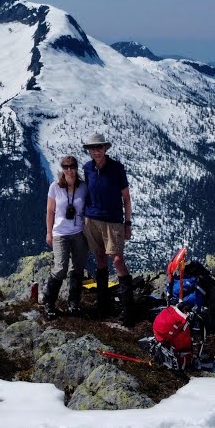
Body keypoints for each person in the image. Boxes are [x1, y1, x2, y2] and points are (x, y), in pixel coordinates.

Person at [80, 132, 134, 324]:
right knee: (101, 258)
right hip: (91, 219)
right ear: (89, 151)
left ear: (105, 149)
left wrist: (127, 223)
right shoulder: (87, 169)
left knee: (118, 260)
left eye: (99, 147)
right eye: (93, 148)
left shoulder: (117, 169)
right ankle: (103, 305)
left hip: (113, 221)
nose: (96, 151)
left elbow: (126, 198)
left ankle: (128, 309)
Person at [43, 155, 87, 317]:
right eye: (65, 167)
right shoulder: (55, 187)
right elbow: (50, 211)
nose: (69, 170)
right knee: (61, 268)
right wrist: (49, 232)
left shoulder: (83, 187)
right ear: (62, 169)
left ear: (76, 168)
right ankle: (48, 302)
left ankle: (74, 303)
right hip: (60, 233)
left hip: (78, 232)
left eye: (72, 166)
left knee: (77, 268)